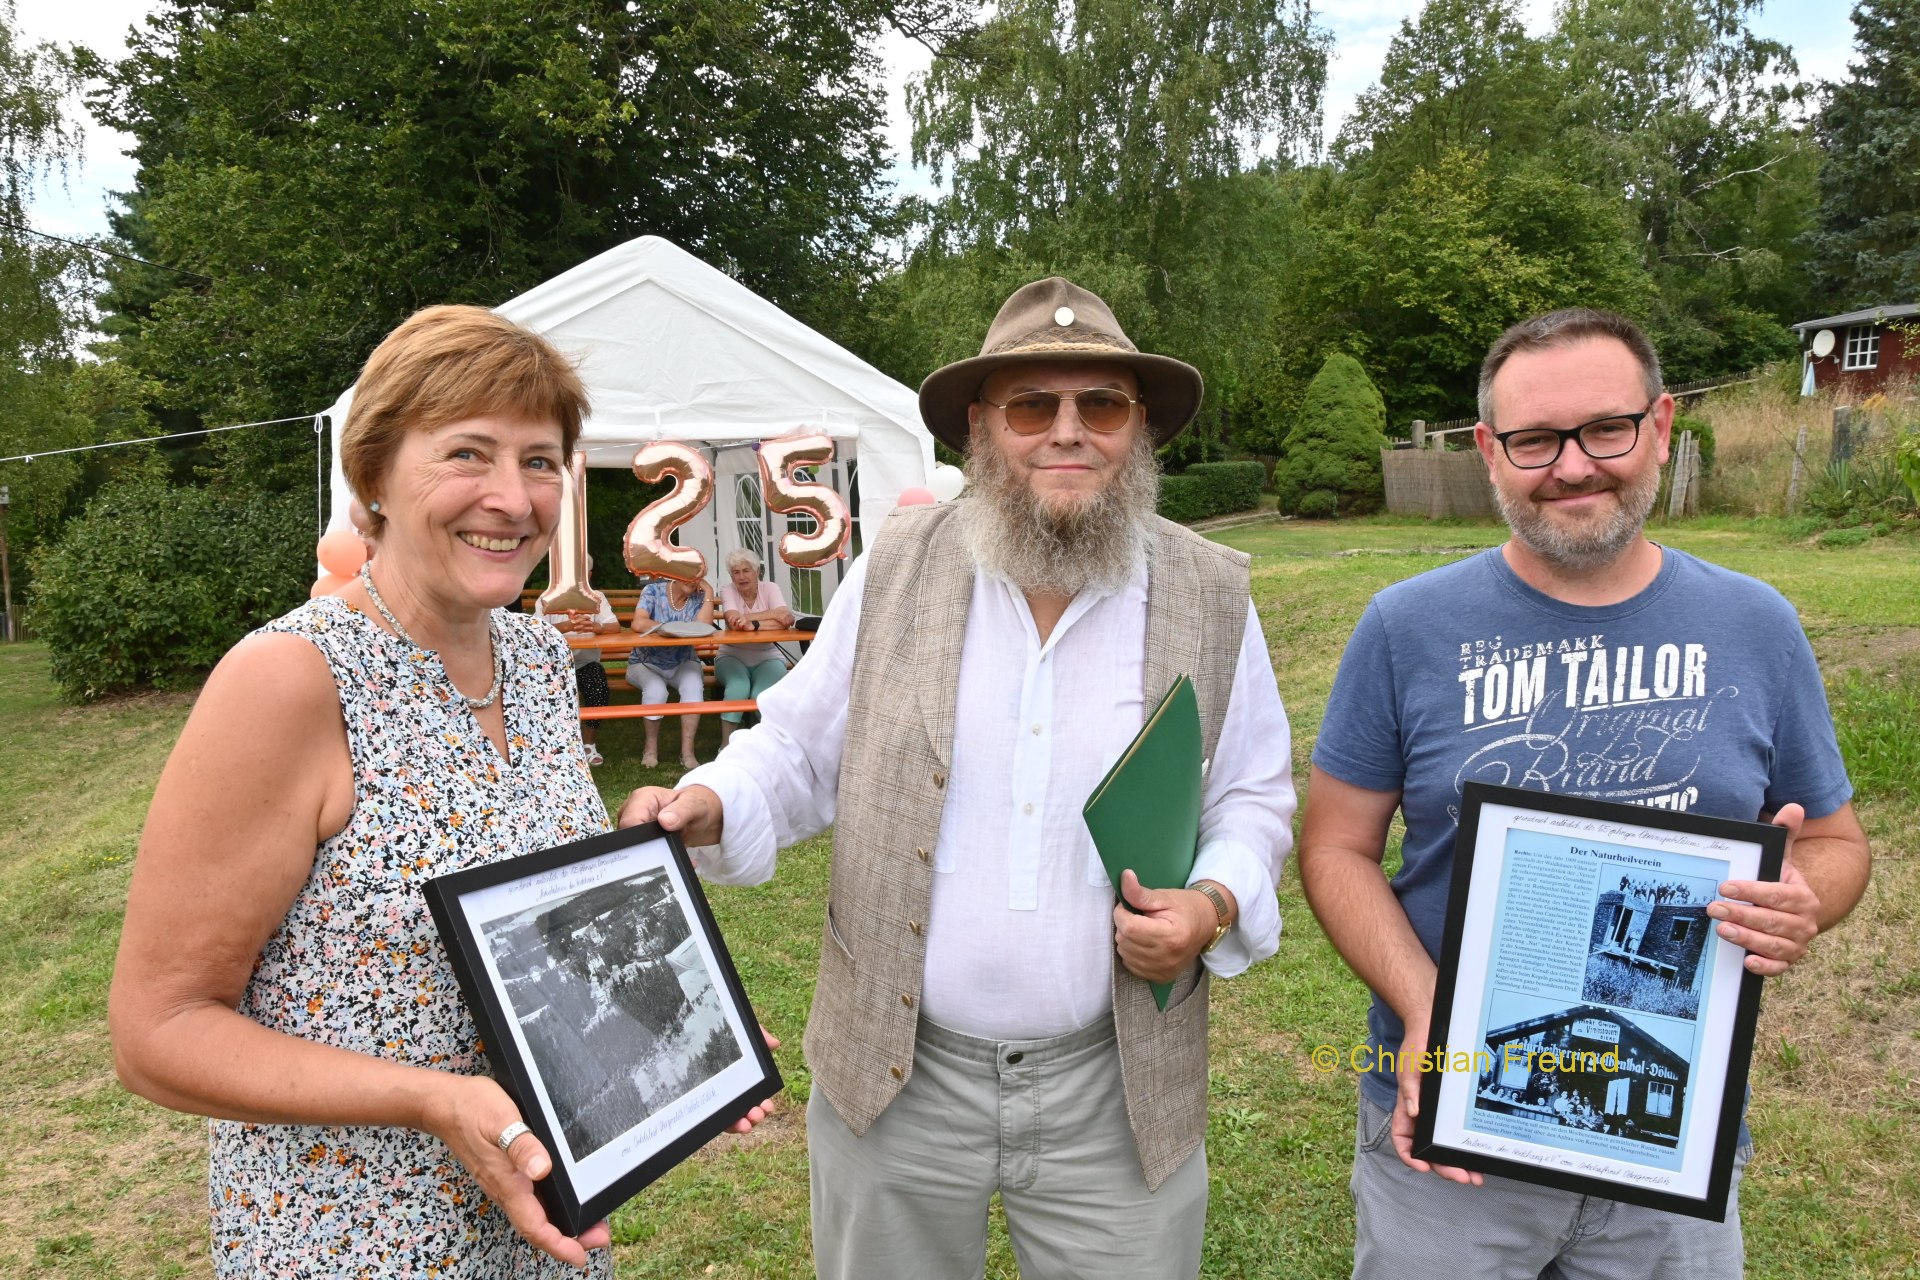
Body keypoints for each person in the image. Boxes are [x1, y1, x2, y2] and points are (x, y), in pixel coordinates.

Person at [622, 277, 1296, 1280]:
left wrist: (1212, 900)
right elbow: (801, 748)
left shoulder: (1210, 589)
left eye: (1101, 405)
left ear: (1139, 427)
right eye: (1034, 405)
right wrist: (712, 797)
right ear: (983, 427)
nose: (1068, 432)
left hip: (1112, 1090)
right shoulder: (896, 565)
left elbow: (1252, 795)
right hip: (896, 1074)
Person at [106, 305, 768, 1278]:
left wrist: (665, 975)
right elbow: (156, 1032)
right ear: (375, 471)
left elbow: (532, 945)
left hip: (538, 1226)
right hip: (354, 1235)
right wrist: (429, 1095)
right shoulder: (294, 680)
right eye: (469, 452)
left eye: (541, 461)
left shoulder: (541, 656)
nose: (512, 495)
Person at [1298, 308, 1872, 1279]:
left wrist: (1807, 897)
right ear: (1489, 450)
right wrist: (1425, 1003)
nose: (1572, 465)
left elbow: (1835, 839)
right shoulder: (1406, 626)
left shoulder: (1754, 624)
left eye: (1605, 428)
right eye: (1533, 439)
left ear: (1660, 425)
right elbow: (1334, 847)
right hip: (1451, 1114)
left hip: (1670, 1123)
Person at [534, 566, 621, 765]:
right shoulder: (547, 597)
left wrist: (596, 627)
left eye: (582, 573)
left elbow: (614, 626)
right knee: (549, 695)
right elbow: (535, 632)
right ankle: (557, 746)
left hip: (585, 663)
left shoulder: (596, 597)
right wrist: (566, 627)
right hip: (553, 665)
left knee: (598, 688)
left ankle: (589, 745)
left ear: (589, 575)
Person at [627, 575, 714, 769]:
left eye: (697, 577)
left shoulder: (699, 596)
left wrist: (709, 592)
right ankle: (650, 750)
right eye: (687, 575)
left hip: (684, 660)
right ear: (675, 574)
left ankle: (688, 753)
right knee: (656, 691)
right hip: (645, 662)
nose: (692, 580)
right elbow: (638, 623)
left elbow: (705, 629)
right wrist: (669, 628)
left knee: (694, 687)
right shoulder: (653, 591)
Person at [714, 548, 795, 746]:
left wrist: (753, 624)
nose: (741, 576)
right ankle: (726, 746)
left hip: (769, 657)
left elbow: (785, 618)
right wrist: (771, 615)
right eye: (736, 572)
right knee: (738, 687)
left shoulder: (770, 588)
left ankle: (768, 744)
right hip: (730, 656)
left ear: (757, 571)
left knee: (762, 695)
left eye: (746, 570)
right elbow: (734, 622)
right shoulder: (727, 590)